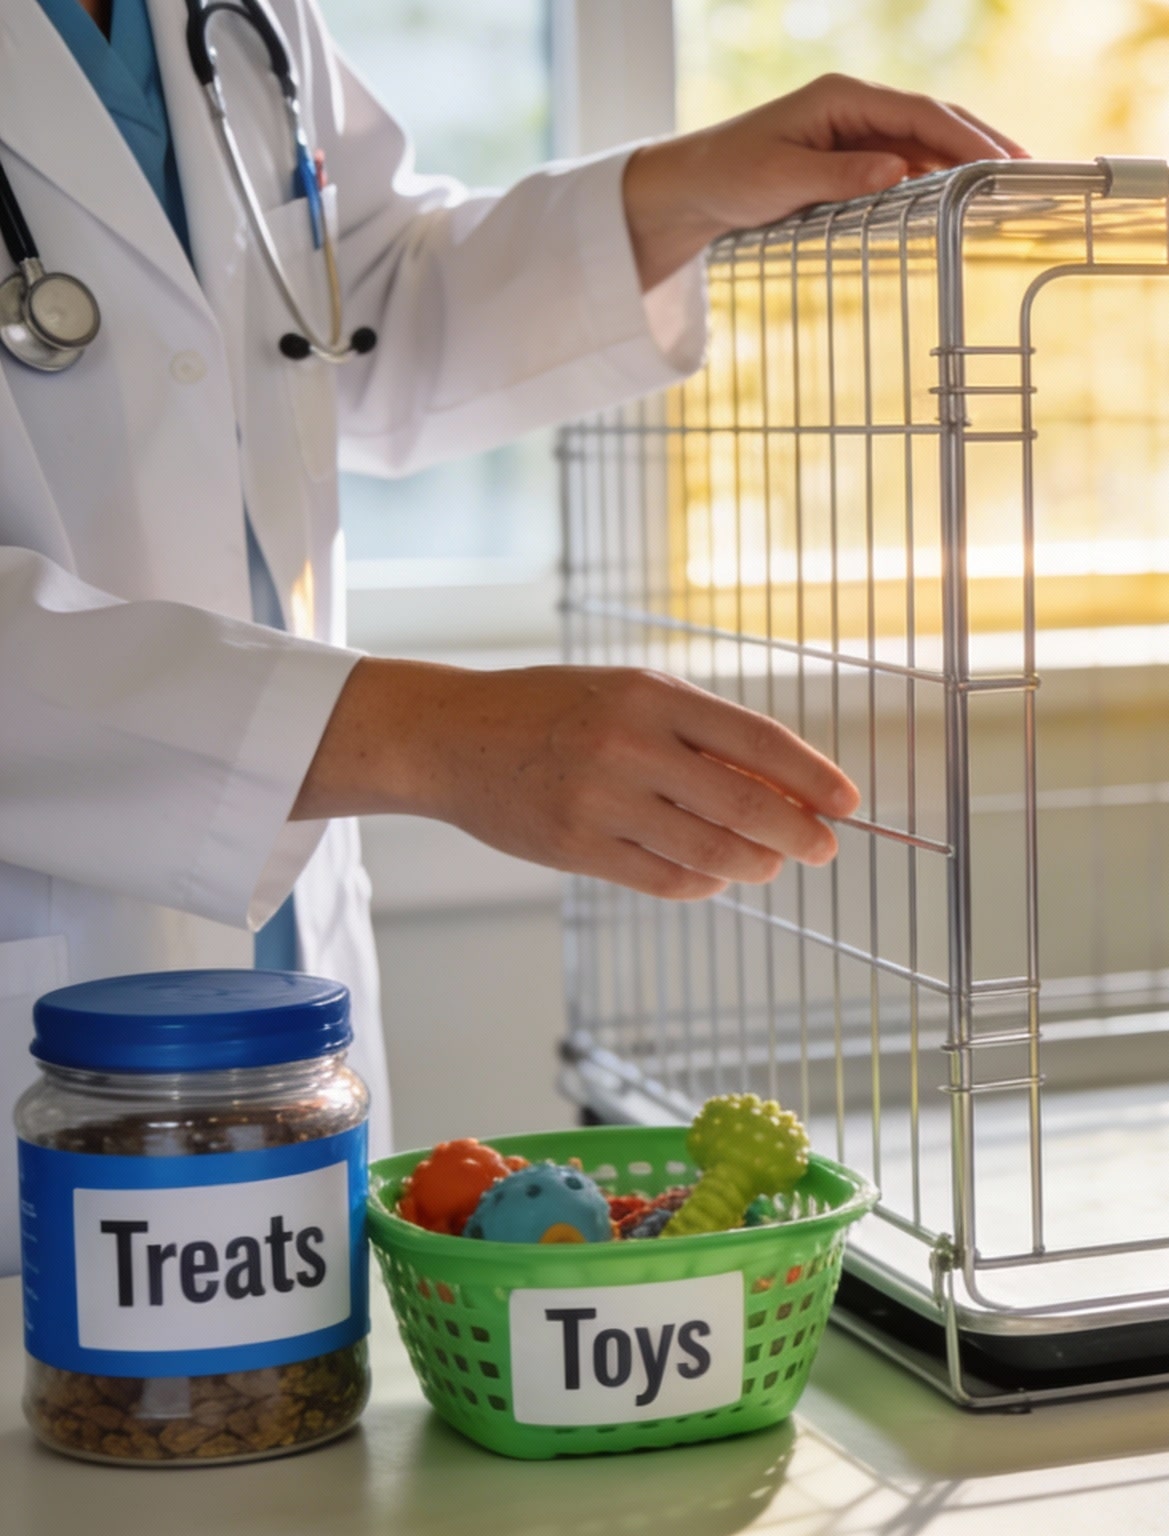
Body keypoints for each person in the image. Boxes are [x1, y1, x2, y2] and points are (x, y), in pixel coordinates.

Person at [0, 0, 1023, 1266]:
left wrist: (676, 193)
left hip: (276, 981)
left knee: (294, 1409)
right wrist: (424, 735)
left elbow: (341, 305)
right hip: (37, 996)